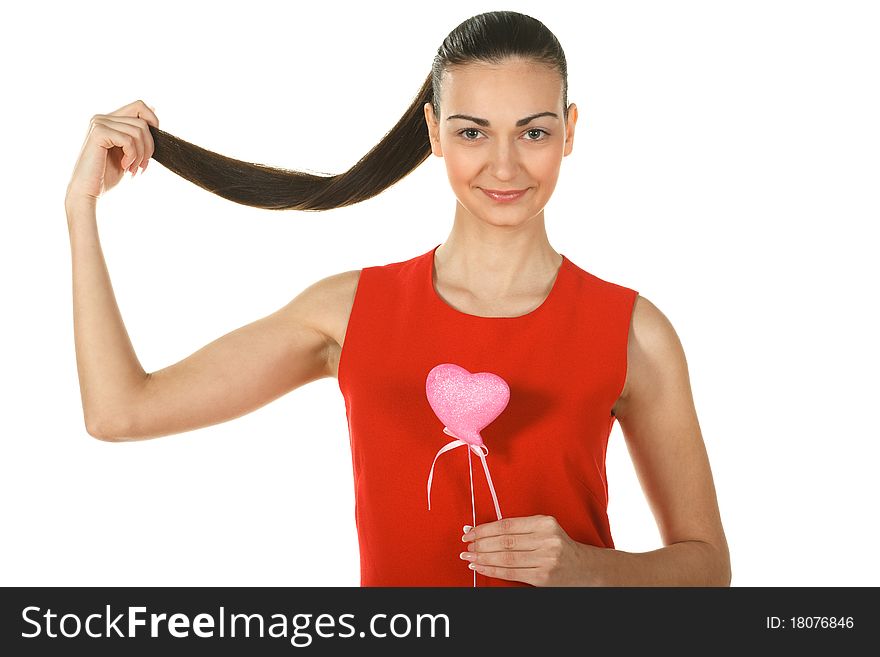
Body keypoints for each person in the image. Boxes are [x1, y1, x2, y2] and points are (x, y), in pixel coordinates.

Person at [65, 10, 730, 587]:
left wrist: (590, 570)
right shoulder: (349, 311)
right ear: (434, 132)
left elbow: (707, 568)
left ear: (570, 130)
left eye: (533, 132)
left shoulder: (633, 331)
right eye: (473, 132)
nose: (504, 166)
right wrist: (81, 210)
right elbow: (122, 410)